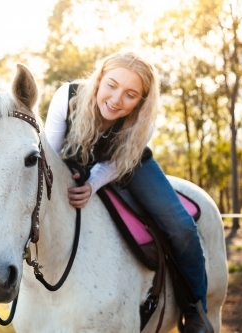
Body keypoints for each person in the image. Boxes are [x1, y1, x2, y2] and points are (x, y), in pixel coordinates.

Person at [44, 51, 212, 333]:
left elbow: (114, 165)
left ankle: (195, 310)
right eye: (112, 85)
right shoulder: (66, 96)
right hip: (76, 161)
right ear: (99, 79)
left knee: (181, 227)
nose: (116, 99)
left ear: (141, 101)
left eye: (130, 94)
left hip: (130, 166)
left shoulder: (143, 124)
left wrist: (91, 186)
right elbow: (49, 153)